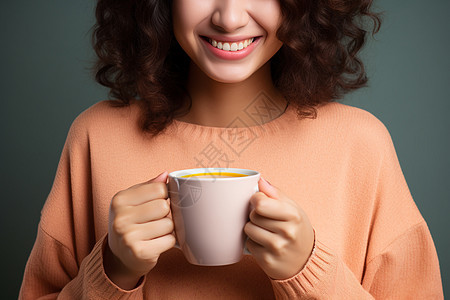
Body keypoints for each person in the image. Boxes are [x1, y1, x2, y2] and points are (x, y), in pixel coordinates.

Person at [20, 0, 443, 298]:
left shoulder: (360, 145)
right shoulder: (96, 137)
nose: (230, 17)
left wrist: (309, 272)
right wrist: (113, 270)